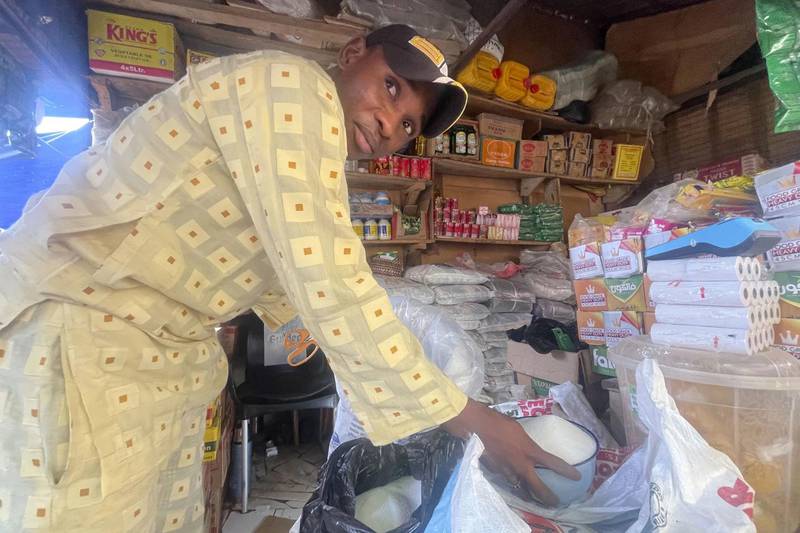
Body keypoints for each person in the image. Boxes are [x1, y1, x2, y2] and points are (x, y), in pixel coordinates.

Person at [0, 24, 577, 532]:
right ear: (353, 53)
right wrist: (473, 420)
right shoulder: (291, 86)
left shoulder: (304, 145)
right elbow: (328, 276)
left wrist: (400, 357)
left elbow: (298, 282)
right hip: (83, 328)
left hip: (149, 355)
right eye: (391, 87)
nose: (388, 124)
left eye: (407, 125)